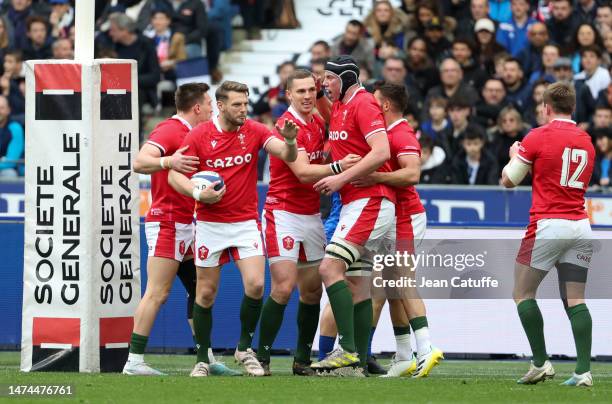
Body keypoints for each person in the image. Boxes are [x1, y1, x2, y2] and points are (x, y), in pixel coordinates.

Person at [168, 80, 299, 377]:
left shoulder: (254, 130)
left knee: (255, 285)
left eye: (246, 103)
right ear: (222, 105)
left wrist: (290, 141)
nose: (244, 109)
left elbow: (287, 155)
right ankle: (202, 357)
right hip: (210, 224)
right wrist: (198, 194)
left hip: (245, 222)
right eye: (237, 104)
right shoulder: (200, 135)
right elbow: (176, 175)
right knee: (205, 294)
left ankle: (244, 348)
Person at [123, 83, 238, 376]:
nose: (213, 109)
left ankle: (206, 358)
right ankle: (133, 362)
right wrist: (167, 160)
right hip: (168, 221)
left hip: (187, 222)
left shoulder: (194, 133)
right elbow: (138, 161)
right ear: (197, 107)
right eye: (210, 104)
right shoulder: (170, 129)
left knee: (200, 290)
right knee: (157, 293)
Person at [255, 69, 360, 376]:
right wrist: (339, 167)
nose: (306, 96)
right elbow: (301, 171)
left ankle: (302, 359)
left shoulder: (316, 120)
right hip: (283, 213)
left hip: (311, 213)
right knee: (284, 288)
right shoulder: (286, 126)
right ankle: (261, 357)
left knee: (312, 292)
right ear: (288, 95)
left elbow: (333, 113)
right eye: (299, 91)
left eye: (310, 90)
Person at [501, 81, 595, 387]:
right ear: (573, 108)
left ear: (546, 107)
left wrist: (514, 154)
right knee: (576, 299)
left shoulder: (538, 136)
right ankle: (583, 371)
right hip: (580, 225)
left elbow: (509, 181)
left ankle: (541, 363)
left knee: (522, 293)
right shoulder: (587, 140)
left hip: (547, 225)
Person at [309, 56, 395, 373]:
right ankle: (358, 358)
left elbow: (382, 151)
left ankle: (346, 349)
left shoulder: (364, 103)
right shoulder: (342, 107)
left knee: (329, 268)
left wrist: (340, 178)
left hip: (369, 201)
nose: (325, 84)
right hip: (355, 202)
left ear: (346, 78)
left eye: (329, 78)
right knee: (358, 285)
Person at [353, 82, 443, 378]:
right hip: (396, 218)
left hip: (406, 218)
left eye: (375, 101)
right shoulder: (388, 134)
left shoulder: (402, 133)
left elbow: (412, 173)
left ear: (386, 105)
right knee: (388, 288)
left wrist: (374, 176)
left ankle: (426, 348)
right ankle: (404, 354)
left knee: (397, 283)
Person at [0, 94, 22, 177]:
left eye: (2, 108)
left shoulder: (15, 128)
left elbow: (11, 161)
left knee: (10, 174)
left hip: (7, 169)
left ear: (8, 110)